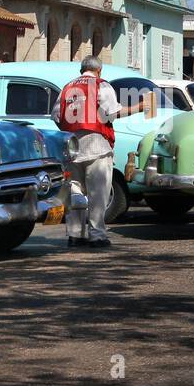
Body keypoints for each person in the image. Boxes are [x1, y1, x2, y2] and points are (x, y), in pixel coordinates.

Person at [53, 57, 144, 248]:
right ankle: (97, 235)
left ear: (81, 70)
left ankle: (76, 235)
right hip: (97, 146)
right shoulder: (102, 85)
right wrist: (138, 108)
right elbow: (111, 113)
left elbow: (56, 116)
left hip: (72, 147)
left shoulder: (67, 88)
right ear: (99, 70)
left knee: (75, 190)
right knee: (98, 193)